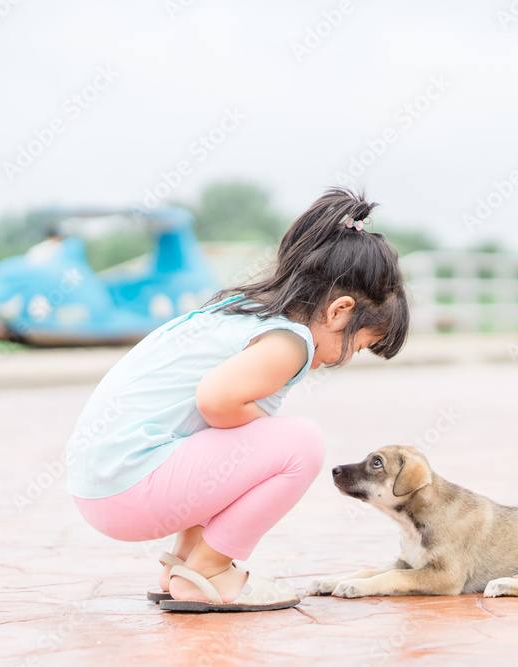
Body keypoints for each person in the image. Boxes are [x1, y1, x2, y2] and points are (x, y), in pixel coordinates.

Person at [65, 187, 409, 612]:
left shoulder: (236, 310)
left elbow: (210, 438)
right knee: (299, 443)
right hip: (129, 488)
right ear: (339, 312)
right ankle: (209, 570)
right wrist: (261, 431)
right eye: (356, 347)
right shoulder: (290, 341)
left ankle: (184, 565)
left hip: (100, 483)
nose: (342, 361)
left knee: (237, 445)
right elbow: (215, 401)